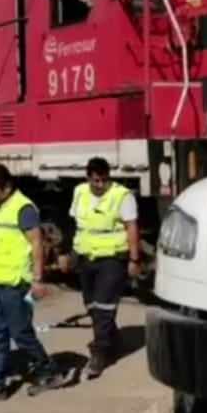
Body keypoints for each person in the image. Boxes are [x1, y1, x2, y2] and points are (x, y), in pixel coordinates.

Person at [0, 163, 61, 401]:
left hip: (14, 283)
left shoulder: (24, 208)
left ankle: (48, 371)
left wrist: (38, 280)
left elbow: (36, 245)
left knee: (21, 333)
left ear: (7, 186)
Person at [68, 157, 142, 378]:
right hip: (86, 256)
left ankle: (99, 354)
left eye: (104, 180)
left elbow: (131, 227)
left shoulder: (122, 196)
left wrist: (134, 259)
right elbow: (76, 224)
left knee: (103, 307)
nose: (100, 184)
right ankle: (113, 340)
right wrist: (69, 252)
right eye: (96, 180)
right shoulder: (80, 192)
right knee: (91, 305)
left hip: (112, 258)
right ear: (88, 177)